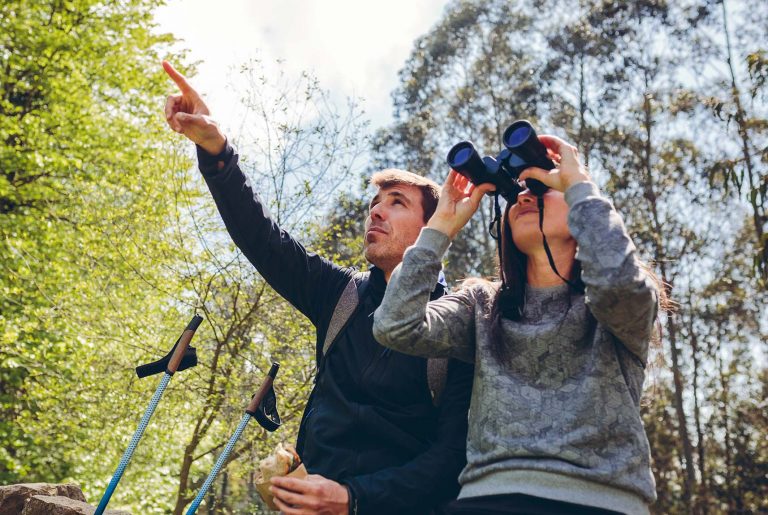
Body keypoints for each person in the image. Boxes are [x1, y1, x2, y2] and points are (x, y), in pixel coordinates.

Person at [162, 61, 473, 515]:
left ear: (434, 226)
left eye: (397, 203)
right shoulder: (340, 295)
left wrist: (352, 500)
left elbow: (451, 460)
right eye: (374, 203)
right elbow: (262, 240)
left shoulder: (460, 322)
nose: (376, 213)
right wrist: (216, 150)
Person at [372, 134, 660, 514]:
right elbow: (394, 326)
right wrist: (440, 226)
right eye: (517, 193)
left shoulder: (613, 306)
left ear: (580, 213)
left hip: (597, 499)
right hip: (487, 499)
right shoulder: (482, 306)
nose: (523, 197)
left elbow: (618, 284)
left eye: (540, 189)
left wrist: (580, 186)